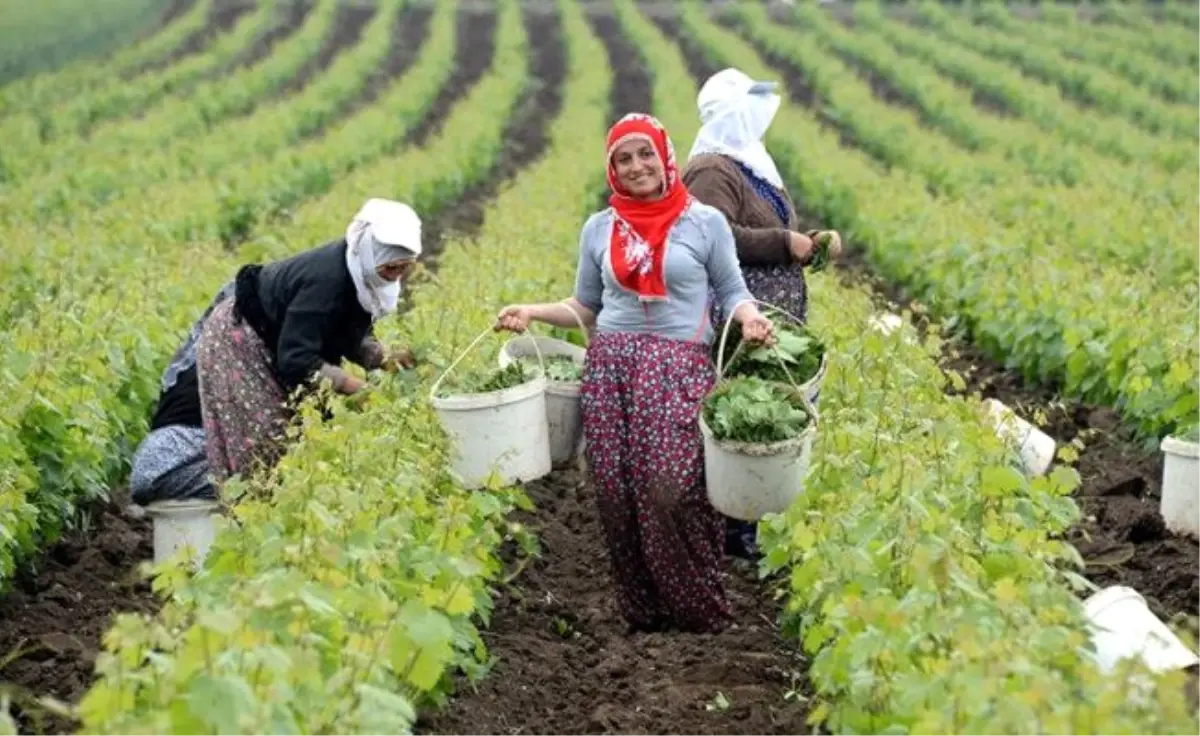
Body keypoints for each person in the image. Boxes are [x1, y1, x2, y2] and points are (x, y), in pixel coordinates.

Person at [495, 113, 774, 633]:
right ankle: (645, 614)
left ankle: (697, 607)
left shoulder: (703, 222)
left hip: (677, 367)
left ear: (665, 156)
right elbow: (585, 304)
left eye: (645, 153)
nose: (636, 166)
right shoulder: (600, 227)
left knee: (671, 486)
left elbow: (732, 290)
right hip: (612, 370)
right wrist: (530, 310)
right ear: (612, 169)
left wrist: (750, 316)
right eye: (624, 158)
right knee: (616, 491)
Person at [682, 67, 843, 560]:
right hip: (739, 313)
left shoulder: (747, 162)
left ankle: (749, 520)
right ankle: (731, 528)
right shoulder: (712, 169)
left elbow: (760, 224)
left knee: (766, 409)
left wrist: (810, 242)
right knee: (740, 410)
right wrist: (782, 243)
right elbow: (714, 234)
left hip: (768, 309)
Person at [194, 198, 421, 487]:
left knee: (302, 434)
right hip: (239, 341)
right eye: (391, 268)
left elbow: (346, 333)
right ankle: (253, 519)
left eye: (404, 268)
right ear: (369, 252)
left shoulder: (362, 276)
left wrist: (384, 358)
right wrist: (354, 386)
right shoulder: (327, 280)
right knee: (268, 441)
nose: (396, 276)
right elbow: (297, 359)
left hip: (279, 338)